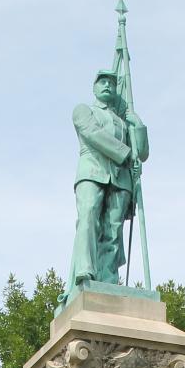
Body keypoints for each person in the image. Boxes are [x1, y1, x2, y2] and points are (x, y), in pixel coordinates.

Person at [66, 69, 148, 293]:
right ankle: (85, 270)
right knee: (89, 216)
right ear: (94, 88)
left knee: (113, 231)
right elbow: (93, 135)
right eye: (102, 82)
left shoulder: (124, 123)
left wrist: (138, 125)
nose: (107, 86)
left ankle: (108, 279)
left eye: (111, 83)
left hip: (120, 180)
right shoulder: (84, 111)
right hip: (92, 172)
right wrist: (125, 153)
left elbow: (142, 153)